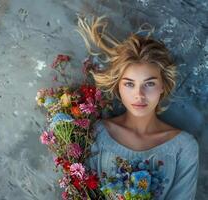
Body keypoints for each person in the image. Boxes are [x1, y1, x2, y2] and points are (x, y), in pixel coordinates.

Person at [76, 15, 199, 200]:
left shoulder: (184, 148)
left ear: (163, 86)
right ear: (118, 86)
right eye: (129, 84)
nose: (139, 95)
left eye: (149, 84)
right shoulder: (97, 134)